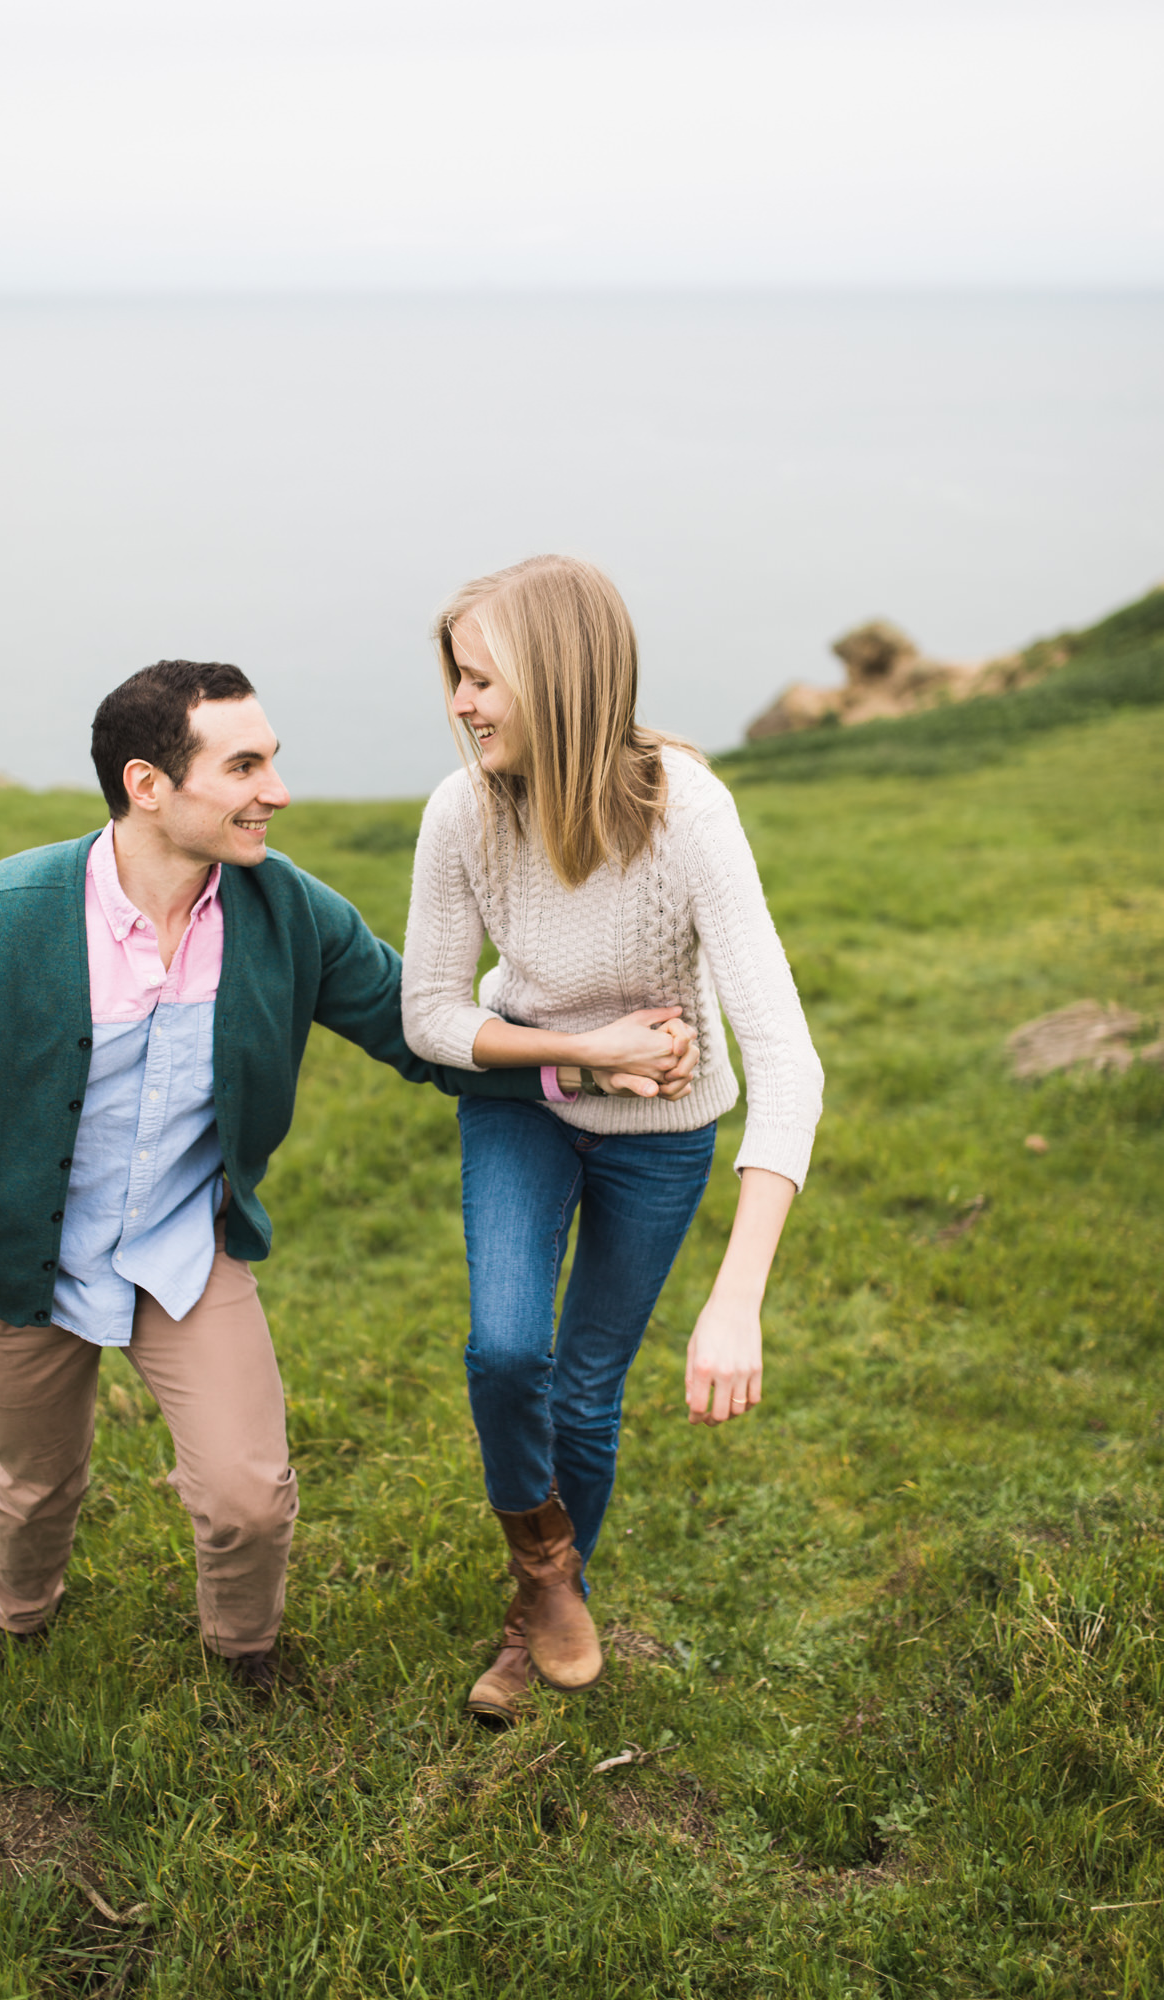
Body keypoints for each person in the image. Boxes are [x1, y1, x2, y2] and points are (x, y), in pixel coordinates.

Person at [0, 659, 694, 1700]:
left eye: (272, 759)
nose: (276, 790)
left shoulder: (291, 914)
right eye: (243, 765)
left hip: (184, 1250)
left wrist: (575, 1061)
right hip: (16, 1261)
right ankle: (20, 1625)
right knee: (35, 1479)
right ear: (148, 784)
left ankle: (245, 1655)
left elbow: (420, 1040)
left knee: (249, 1495)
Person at [401, 556, 824, 1724]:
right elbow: (429, 1013)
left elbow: (787, 1062)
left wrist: (735, 1301)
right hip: (522, 1101)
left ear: (562, 678)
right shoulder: (462, 811)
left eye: (481, 678)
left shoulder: (686, 812)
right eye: (454, 677)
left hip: (662, 1135)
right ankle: (544, 1570)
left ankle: (538, 1606)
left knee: (585, 1391)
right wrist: (586, 1051)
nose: (461, 703)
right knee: (502, 1351)